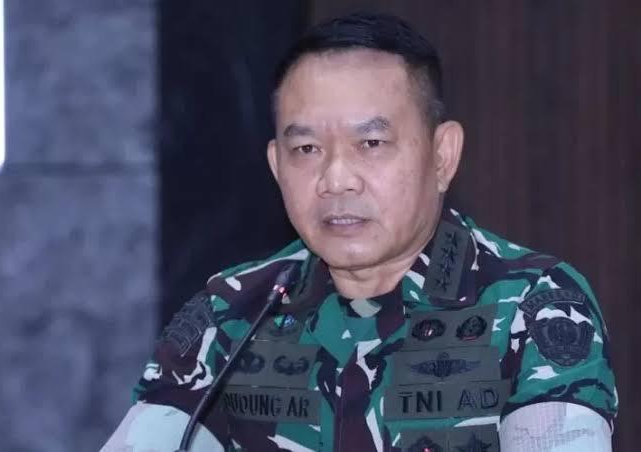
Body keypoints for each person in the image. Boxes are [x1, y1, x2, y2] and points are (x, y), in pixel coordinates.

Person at [102, 12, 617, 452]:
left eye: (371, 144)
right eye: (306, 149)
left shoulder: (532, 304)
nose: (336, 179)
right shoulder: (233, 314)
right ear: (277, 166)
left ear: (442, 156)